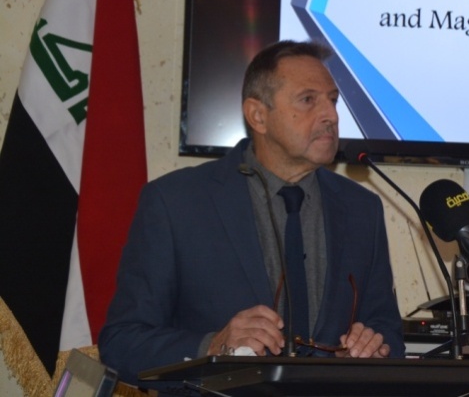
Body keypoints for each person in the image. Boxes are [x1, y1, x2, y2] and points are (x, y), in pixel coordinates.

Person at [99, 40, 405, 386]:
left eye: (332, 101)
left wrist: (374, 346)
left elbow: (387, 330)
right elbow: (121, 343)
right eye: (308, 100)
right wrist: (212, 346)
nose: (331, 116)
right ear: (258, 115)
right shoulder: (176, 203)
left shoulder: (362, 208)